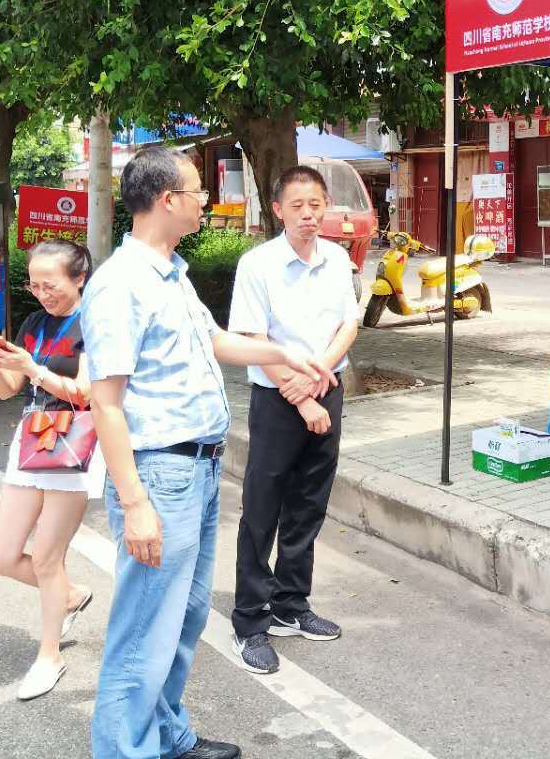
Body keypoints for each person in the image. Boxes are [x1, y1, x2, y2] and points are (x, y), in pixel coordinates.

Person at [83, 147, 336, 759]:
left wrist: (283, 354)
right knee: (144, 630)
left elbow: (216, 341)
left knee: (183, 620)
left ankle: (167, 738)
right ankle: (126, 750)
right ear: (168, 201)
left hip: (196, 469)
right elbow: (106, 402)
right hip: (159, 473)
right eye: (198, 191)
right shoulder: (120, 285)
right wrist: (135, 502)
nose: (206, 201)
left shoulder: (170, 271)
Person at [229, 166, 359, 674]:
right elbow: (253, 341)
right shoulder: (257, 264)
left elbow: (348, 323)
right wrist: (300, 397)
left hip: (327, 388)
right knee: (263, 509)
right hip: (279, 400)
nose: (309, 215)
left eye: (316, 205)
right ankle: (251, 620)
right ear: (278, 209)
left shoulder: (337, 258)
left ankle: (291, 604)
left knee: (309, 504)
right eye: (298, 206)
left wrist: (320, 377)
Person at [0, 238, 100, 701]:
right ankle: (68, 595)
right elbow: (10, 389)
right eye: (34, 284)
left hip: (78, 443)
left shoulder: (95, 321)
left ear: (79, 278)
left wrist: (32, 369)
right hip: (33, 440)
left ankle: (49, 655)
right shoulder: (34, 323)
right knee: (1, 556)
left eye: (50, 284)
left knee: (48, 558)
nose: (41, 293)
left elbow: (86, 393)